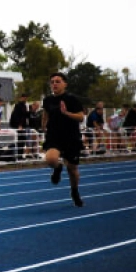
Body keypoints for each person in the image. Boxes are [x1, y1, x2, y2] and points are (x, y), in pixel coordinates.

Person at [41, 72, 86, 207]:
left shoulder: (72, 99)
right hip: (54, 136)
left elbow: (81, 117)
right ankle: (58, 167)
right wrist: (43, 126)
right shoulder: (47, 100)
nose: (54, 84)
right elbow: (46, 114)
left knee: (72, 169)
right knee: (51, 159)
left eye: (58, 81)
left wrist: (67, 113)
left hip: (71, 137)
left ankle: (74, 191)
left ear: (65, 84)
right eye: (52, 82)